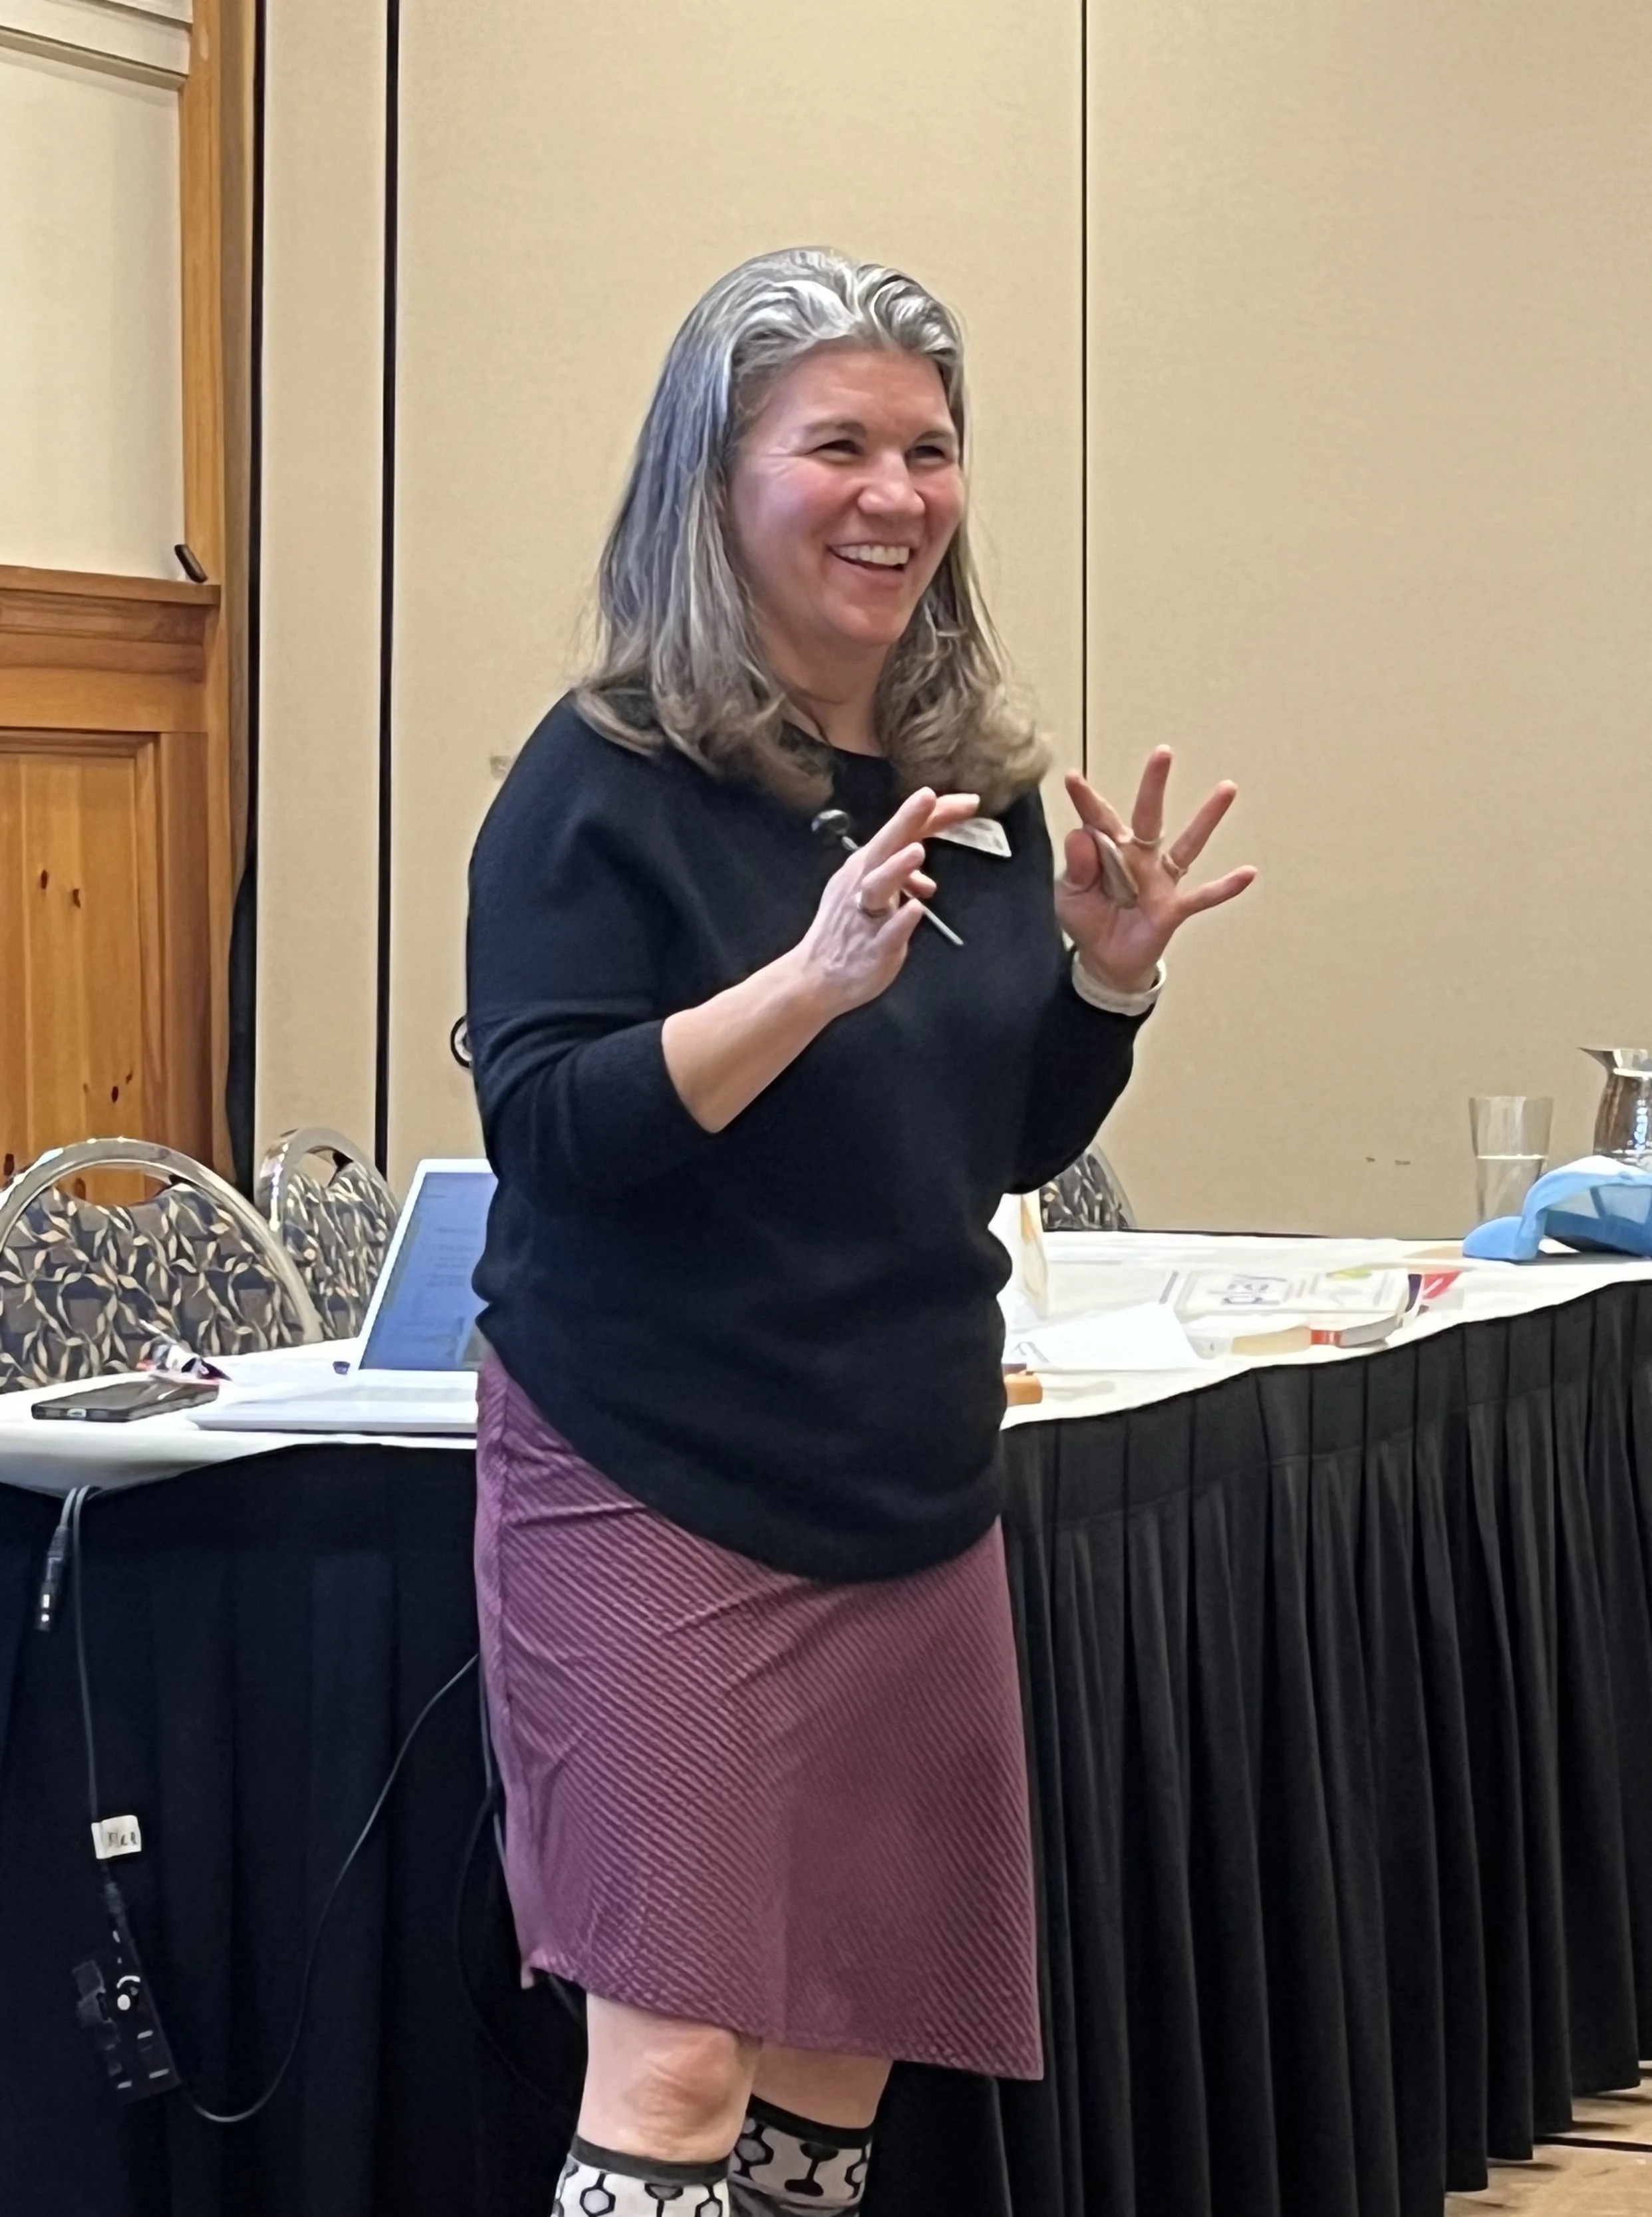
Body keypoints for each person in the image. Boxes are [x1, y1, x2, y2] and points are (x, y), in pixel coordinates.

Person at [466, 246, 1253, 2217]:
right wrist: (802, 983)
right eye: (836, 444)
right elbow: (554, 1130)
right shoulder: (600, 778)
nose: (894, 494)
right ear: (713, 483)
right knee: (677, 2049)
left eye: (929, 447)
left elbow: (986, 1137)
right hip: (648, 1471)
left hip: (900, 1482)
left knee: (841, 2030)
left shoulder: (960, 787)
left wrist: (1102, 988)